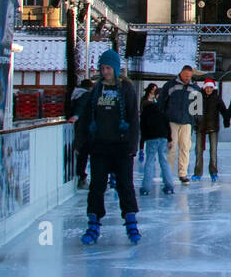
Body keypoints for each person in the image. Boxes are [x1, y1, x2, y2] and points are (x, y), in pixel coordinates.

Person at [73, 49, 141, 245]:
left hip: (121, 147)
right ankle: (93, 223)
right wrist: (80, 142)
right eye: (102, 68)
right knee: (96, 186)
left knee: (125, 186)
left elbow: (133, 118)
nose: (105, 72)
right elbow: (86, 117)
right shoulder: (96, 90)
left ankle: (131, 221)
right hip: (100, 146)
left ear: (116, 68)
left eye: (108, 68)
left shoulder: (126, 89)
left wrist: (132, 145)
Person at [159, 64, 203, 184]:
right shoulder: (170, 85)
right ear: (181, 73)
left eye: (189, 76)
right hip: (172, 121)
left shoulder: (195, 88)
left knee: (185, 148)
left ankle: (182, 173)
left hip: (187, 121)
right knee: (171, 148)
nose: (187, 78)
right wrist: (162, 118)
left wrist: (197, 120)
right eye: (186, 76)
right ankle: (168, 173)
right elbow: (162, 103)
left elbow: (198, 107)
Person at [139, 83, 175, 196]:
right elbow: (167, 124)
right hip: (163, 137)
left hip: (151, 138)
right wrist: (169, 139)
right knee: (164, 161)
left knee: (150, 161)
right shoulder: (161, 110)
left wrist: (142, 142)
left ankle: (146, 187)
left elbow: (143, 127)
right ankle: (169, 185)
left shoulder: (145, 111)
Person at [193, 78, 228, 181]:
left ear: (213, 88)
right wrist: (194, 123)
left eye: (210, 88)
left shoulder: (217, 98)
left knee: (213, 151)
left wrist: (227, 119)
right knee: (198, 151)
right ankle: (198, 173)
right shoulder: (198, 98)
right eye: (207, 87)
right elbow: (194, 111)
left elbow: (223, 110)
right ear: (204, 88)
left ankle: (213, 172)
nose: (208, 89)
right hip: (200, 128)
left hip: (213, 128)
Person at [67, 78, 94, 189]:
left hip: (78, 128)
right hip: (84, 128)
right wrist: (77, 116)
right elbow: (81, 107)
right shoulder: (86, 95)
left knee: (80, 153)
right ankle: (81, 178)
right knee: (84, 153)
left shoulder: (74, 95)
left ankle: (80, 176)